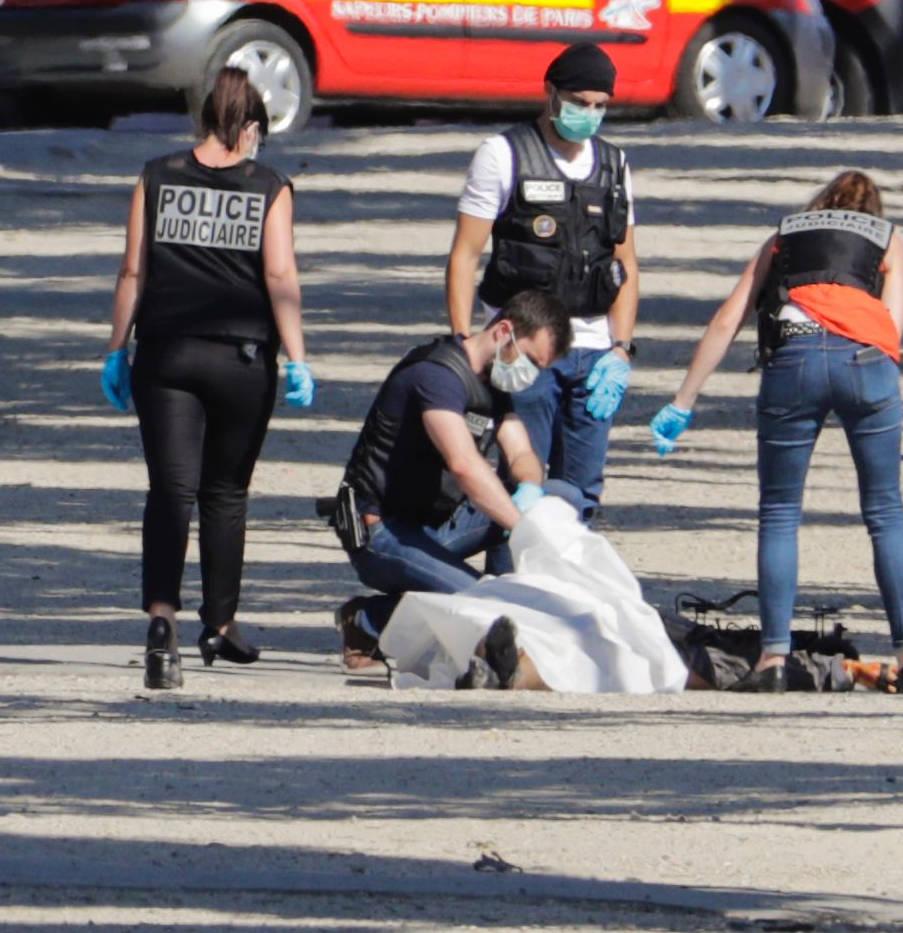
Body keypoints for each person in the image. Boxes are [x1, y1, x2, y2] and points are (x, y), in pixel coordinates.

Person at [654, 167, 903, 684]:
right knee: (885, 512)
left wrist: (683, 401)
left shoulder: (784, 234)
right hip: (865, 365)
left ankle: (773, 659)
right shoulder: (887, 238)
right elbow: (891, 327)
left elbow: (728, 319)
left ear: (820, 203)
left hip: (793, 362)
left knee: (779, 513)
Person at [105, 62, 317, 690]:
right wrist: (299, 355)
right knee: (224, 493)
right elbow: (279, 276)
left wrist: (117, 349)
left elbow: (132, 273)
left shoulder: (156, 177)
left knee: (170, 492)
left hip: (165, 355)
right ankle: (220, 623)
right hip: (241, 361)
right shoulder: (270, 187)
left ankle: (161, 621)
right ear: (251, 127)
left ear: (202, 119)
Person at [328, 286, 565, 678]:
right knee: (485, 605)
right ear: (504, 331)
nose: (531, 374)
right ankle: (368, 620)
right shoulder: (435, 375)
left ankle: (377, 616)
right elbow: (464, 465)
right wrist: (523, 527)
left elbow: (523, 455)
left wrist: (530, 489)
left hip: (434, 526)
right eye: (531, 360)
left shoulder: (493, 385)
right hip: (382, 532)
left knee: (558, 495)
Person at [443, 43, 640, 505]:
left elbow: (625, 263)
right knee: (519, 486)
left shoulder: (615, 165)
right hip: (522, 350)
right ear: (550, 93)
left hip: (593, 353)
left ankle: (564, 578)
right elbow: (464, 256)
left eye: (599, 106)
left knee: (581, 494)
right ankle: (509, 579)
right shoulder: (502, 155)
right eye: (578, 103)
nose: (588, 115)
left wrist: (622, 350)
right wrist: (462, 344)